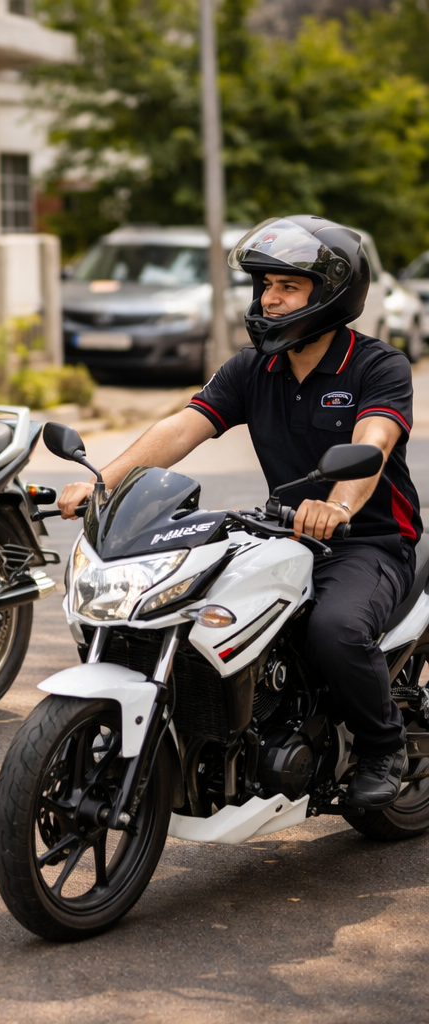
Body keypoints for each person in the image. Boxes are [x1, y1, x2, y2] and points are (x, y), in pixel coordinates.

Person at [58, 215, 418, 810]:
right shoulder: (254, 367)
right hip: (285, 530)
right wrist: (102, 479)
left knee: (334, 630)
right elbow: (182, 427)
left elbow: (373, 442)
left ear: (330, 293)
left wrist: (338, 506)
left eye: (287, 287)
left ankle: (384, 746)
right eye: (265, 286)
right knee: (185, 607)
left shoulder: (376, 366)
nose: (269, 300)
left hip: (368, 541)